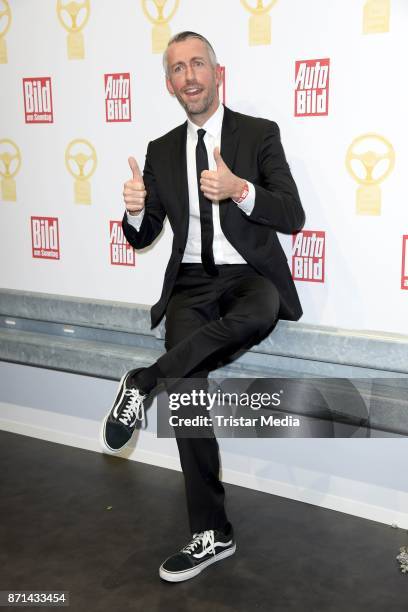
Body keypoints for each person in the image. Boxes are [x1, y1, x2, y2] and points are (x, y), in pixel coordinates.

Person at [101, 31, 305, 582]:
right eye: (176, 70)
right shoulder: (161, 150)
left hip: (247, 279)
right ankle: (210, 533)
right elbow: (144, 238)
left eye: (197, 65)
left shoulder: (259, 134)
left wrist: (241, 189)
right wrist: (135, 211)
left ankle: (143, 382)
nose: (188, 77)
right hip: (190, 286)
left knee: (260, 311)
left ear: (219, 73)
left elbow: (292, 214)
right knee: (187, 397)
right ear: (169, 84)